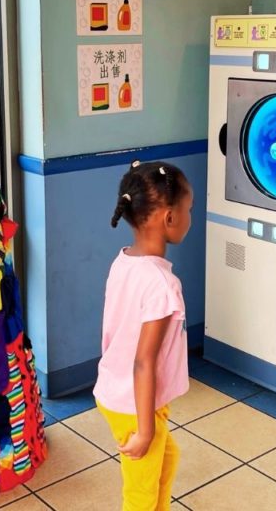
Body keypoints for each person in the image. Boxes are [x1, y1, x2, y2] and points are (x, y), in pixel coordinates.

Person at [94, 160, 193, 511]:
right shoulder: (163, 285)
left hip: (113, 389)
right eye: (188, 209)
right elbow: (143, 362)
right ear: (168, 218)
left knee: (166, 459)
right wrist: (145, 428)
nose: (189, 218)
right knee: (139, 493)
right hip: (135, 403)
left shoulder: (123, 261)